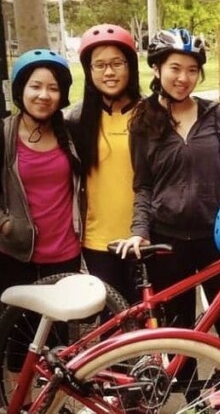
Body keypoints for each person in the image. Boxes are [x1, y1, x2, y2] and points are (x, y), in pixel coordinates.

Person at [114, 28, 220, 343]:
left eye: (192, 70)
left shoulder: (216, 116)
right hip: (168, 241)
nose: (183, 77)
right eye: (175, 68)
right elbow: (143, 185)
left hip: (218, 237)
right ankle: (189, 391)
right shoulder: (143, 121)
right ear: (157, 69)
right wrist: (139, 231)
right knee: (178, 329)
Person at [66, 24, 142, 304]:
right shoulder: (76, 122)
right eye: (99, 65)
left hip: (142, 239)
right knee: (111, 323)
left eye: (116, 63)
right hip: (98, 242)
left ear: (130, 66)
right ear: (88, 71)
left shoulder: (150, 115)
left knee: (148, 325)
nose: (108, 72)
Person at [0, 49, 82, 299]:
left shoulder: (71, 134)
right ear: (20, 90)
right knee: (15, 333)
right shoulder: (5, 135)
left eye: (53, 88)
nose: (44, 95)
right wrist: (4, 225)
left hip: (65, 255)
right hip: (16, 254)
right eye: (35, 86)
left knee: (59, 334)